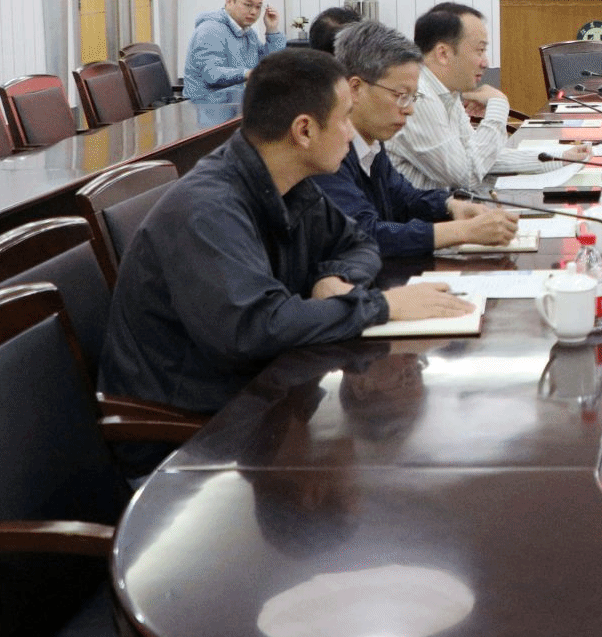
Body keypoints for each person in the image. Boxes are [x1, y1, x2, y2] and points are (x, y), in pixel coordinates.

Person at [100, 49, 472, 422]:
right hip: (192, 429)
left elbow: (358, 242)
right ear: (304, 130)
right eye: (345, 118)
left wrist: (335, 276)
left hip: (261, 395)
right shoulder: (209, 209)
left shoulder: (291, 182)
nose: (350, 132)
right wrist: (383, 307)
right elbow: (256, 328)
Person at [314, 20, 522, 257]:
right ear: (355, 89)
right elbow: (365, 234)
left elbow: (405, 200)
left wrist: (450, 206)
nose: (410, 109)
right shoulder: (327, 153)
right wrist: (461, 231)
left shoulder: (371, 144)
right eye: (401, 95)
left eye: (413, 97)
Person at [386, 2, 587, 192]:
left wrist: (559, 157)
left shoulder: (446, 93)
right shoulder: (419, 98)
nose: (485, 62)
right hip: (425, 216)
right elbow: (468, 175)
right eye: (479, 50)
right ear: (443, 54)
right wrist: (498, 106)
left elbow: (481, 159)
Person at [183, 0, 285, 103]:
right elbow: (211, 74)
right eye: (248, 5)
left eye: (258, 7)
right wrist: (247, 73)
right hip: (208, 106)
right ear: (229, 1)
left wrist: (272, 30)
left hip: (237, 102)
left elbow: (268, 64)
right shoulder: (210, 30)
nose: (254, 12)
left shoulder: (248, 33)